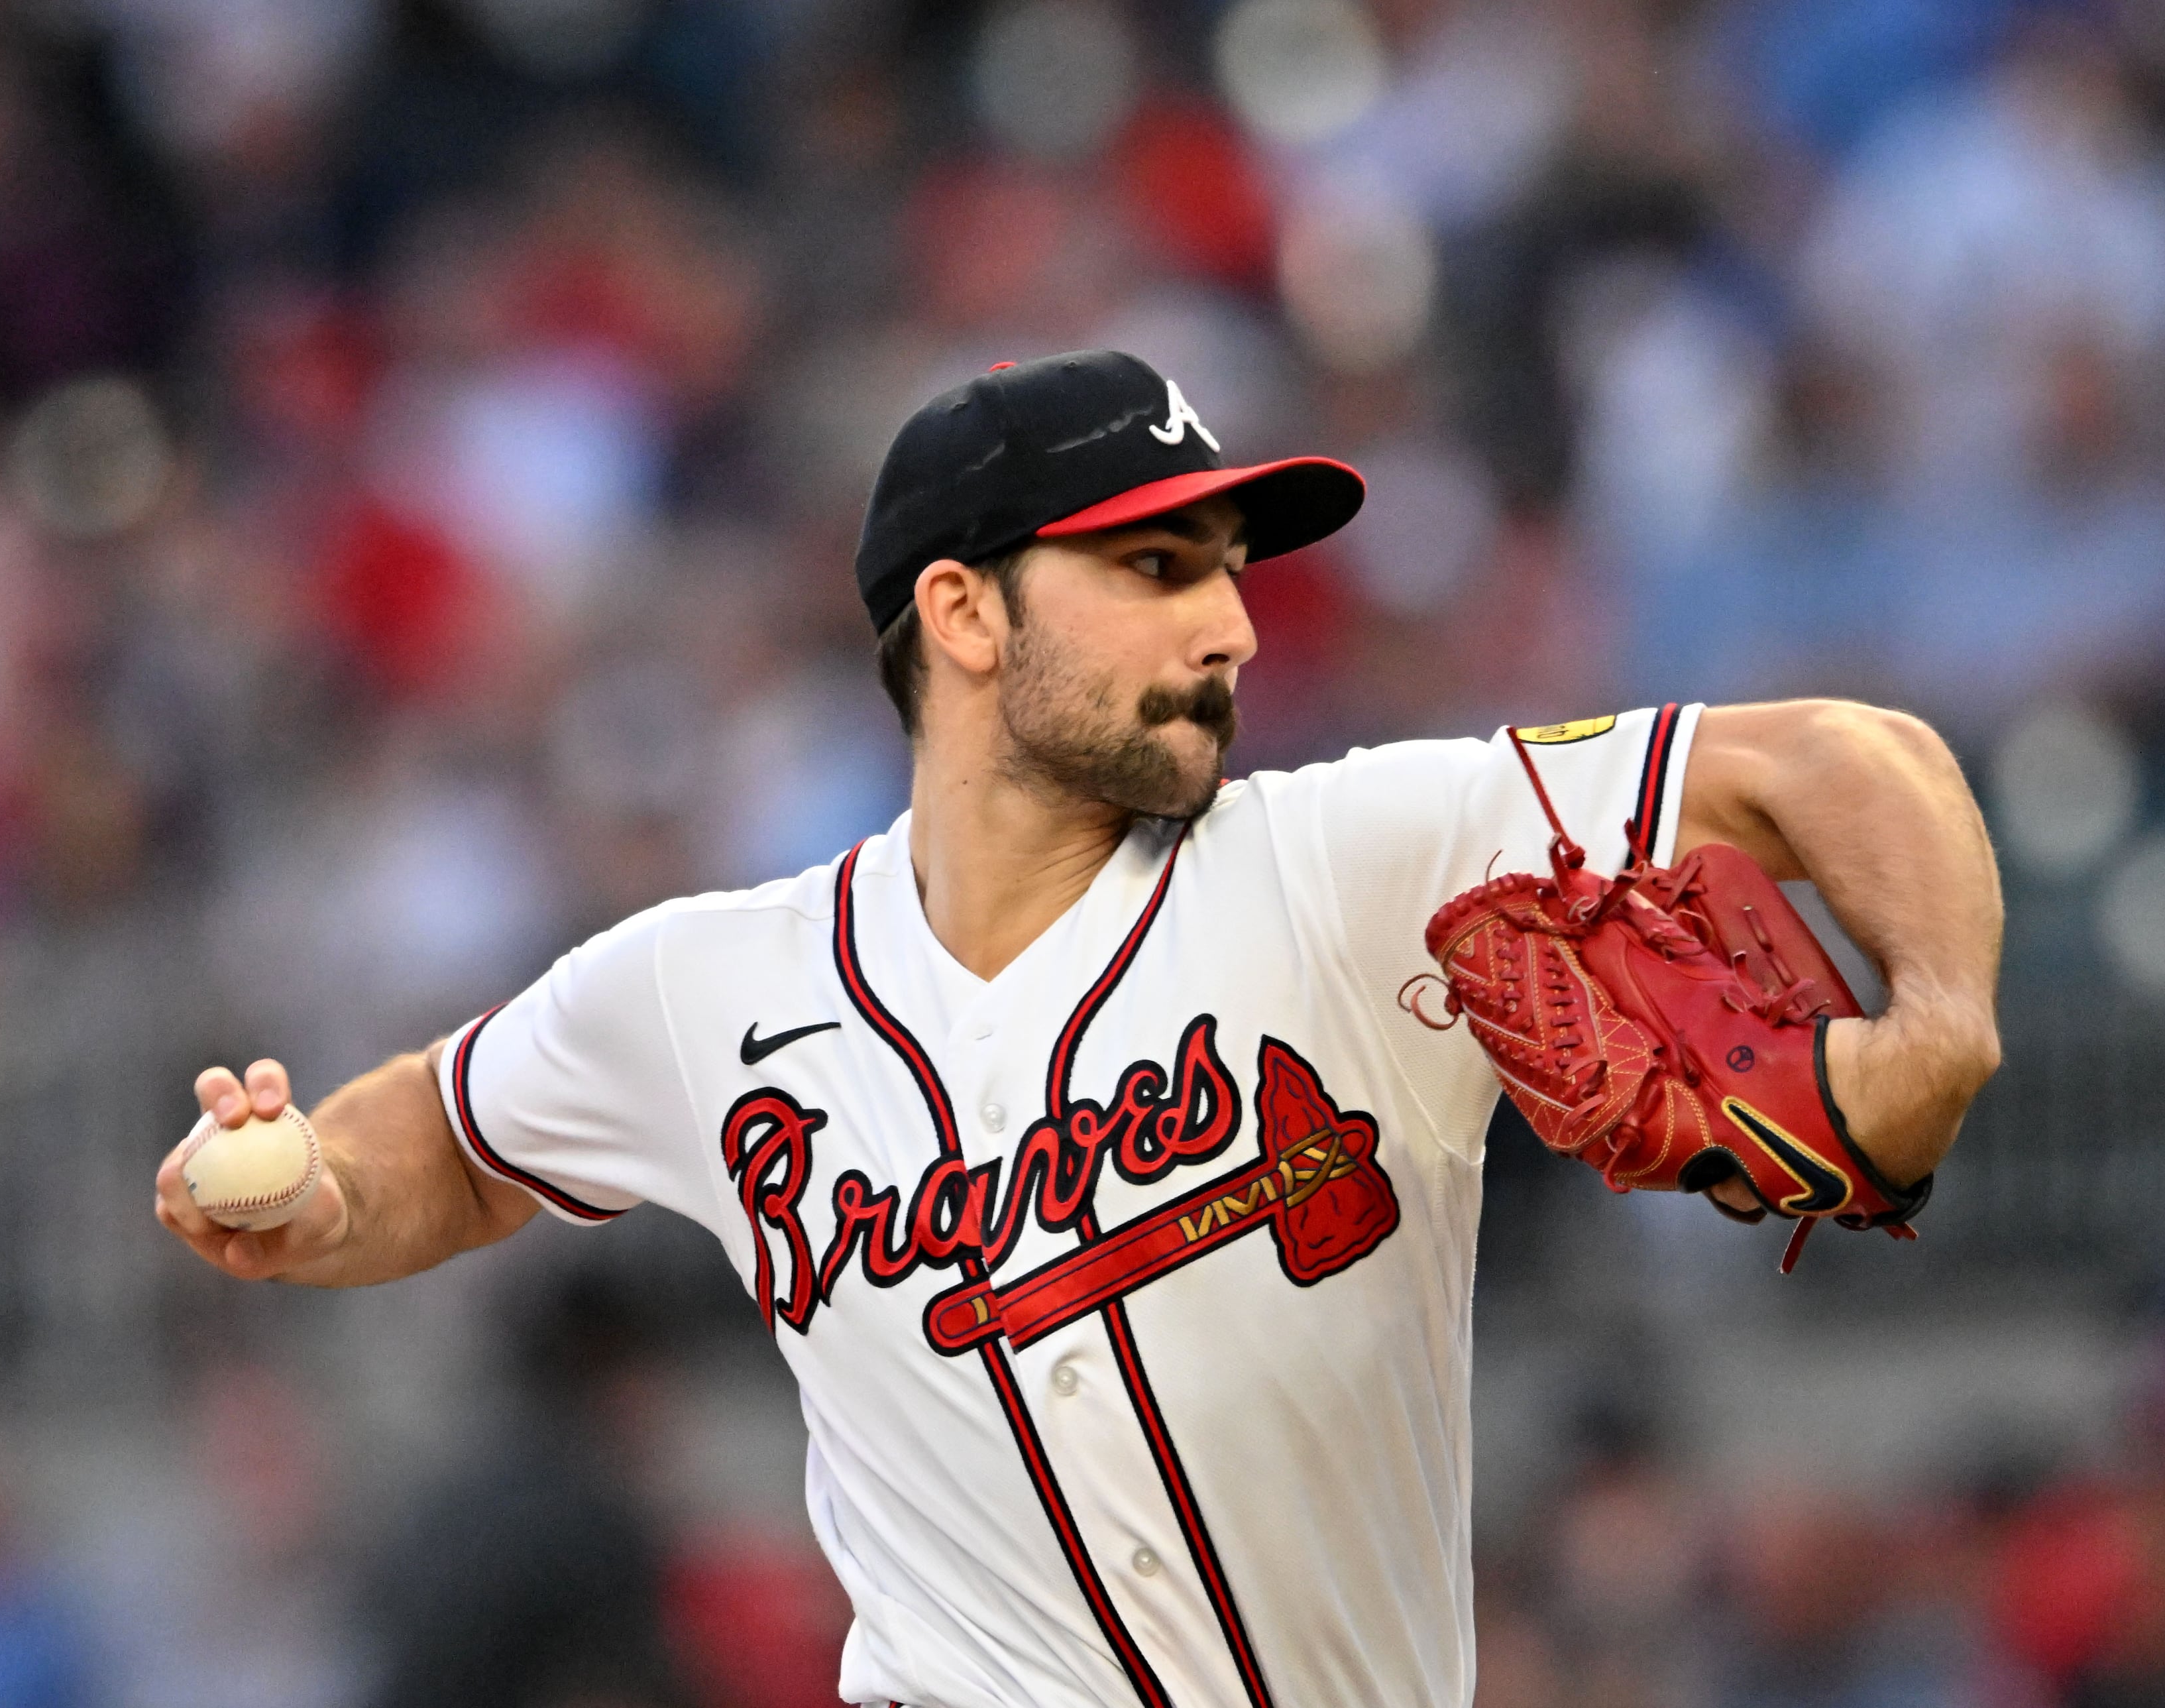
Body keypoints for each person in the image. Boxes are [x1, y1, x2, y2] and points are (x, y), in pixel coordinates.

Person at [156, 351, 2002, 1708]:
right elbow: (457, 1139)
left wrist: (1937, 1030)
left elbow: (1845, 760)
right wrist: (322, 1189)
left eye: (1224, 567)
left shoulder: (1359, 861)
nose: (1229, 627)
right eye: (1152, 567)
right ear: (958, 611)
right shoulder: (709, 987)